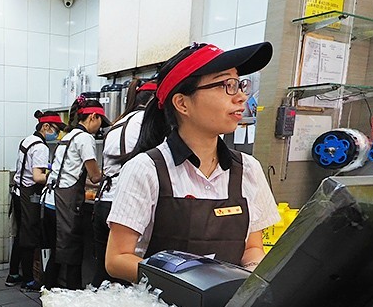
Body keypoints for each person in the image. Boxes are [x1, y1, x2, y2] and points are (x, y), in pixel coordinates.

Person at [105, 42, 282, 284]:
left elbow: (252, 247)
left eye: (240, 84)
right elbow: (117, 259)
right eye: (226, 85)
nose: (241, 96)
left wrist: (255, 281)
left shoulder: (248, 169)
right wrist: (191, 284)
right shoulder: (147, 169)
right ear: (182, 103)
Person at [91, 78, 157, 287]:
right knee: (124, 279)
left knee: (103, 271)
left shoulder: (118, 122)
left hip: (102, 203)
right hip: (125, 206)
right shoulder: (147, 123)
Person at [43, 97, 107, 290]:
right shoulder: (85, 138)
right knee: (72, 254)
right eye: (100, 121)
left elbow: (71, 171)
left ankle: (48, 292)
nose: (99, 127)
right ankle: (72, 298)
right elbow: (95, 176)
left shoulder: (67, 136)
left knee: (55, 252)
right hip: (65, 203)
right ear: (94, 117)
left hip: (50, 200)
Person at [8, 111, 66, 291]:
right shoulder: (40, 147)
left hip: (18, 193)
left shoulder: (27, 140)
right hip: (29, 195)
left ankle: (13, 274)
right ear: (46, 127)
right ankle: (28, 280)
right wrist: (56, 177)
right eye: (56, 129)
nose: (57, 134)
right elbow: (37, 177)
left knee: (20, 234)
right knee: (29, 236)